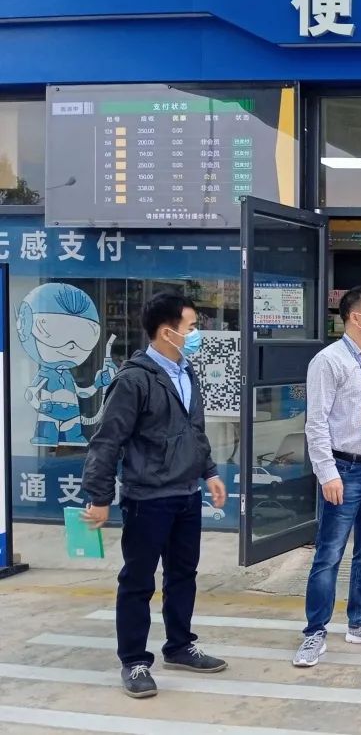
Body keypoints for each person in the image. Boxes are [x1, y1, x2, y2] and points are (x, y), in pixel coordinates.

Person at [81, 291, 227, 699]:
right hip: (148, 498)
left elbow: (193, 430)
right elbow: (107, 441)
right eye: (192, 327)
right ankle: (134, 661)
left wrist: (210, 472)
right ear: (167, 332)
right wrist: (98, 496)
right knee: (138, 581)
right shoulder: (133, 380)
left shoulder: (186, 371)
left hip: (186, 494)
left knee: (183, 575)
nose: (197, 334)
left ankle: (179, 646)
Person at [293, 286, 361, 667]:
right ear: (355, 317)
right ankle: (314, 632)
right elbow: (316, 422)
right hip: (344, 469)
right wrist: (327, 473)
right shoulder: (328, 361)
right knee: (329, 555)